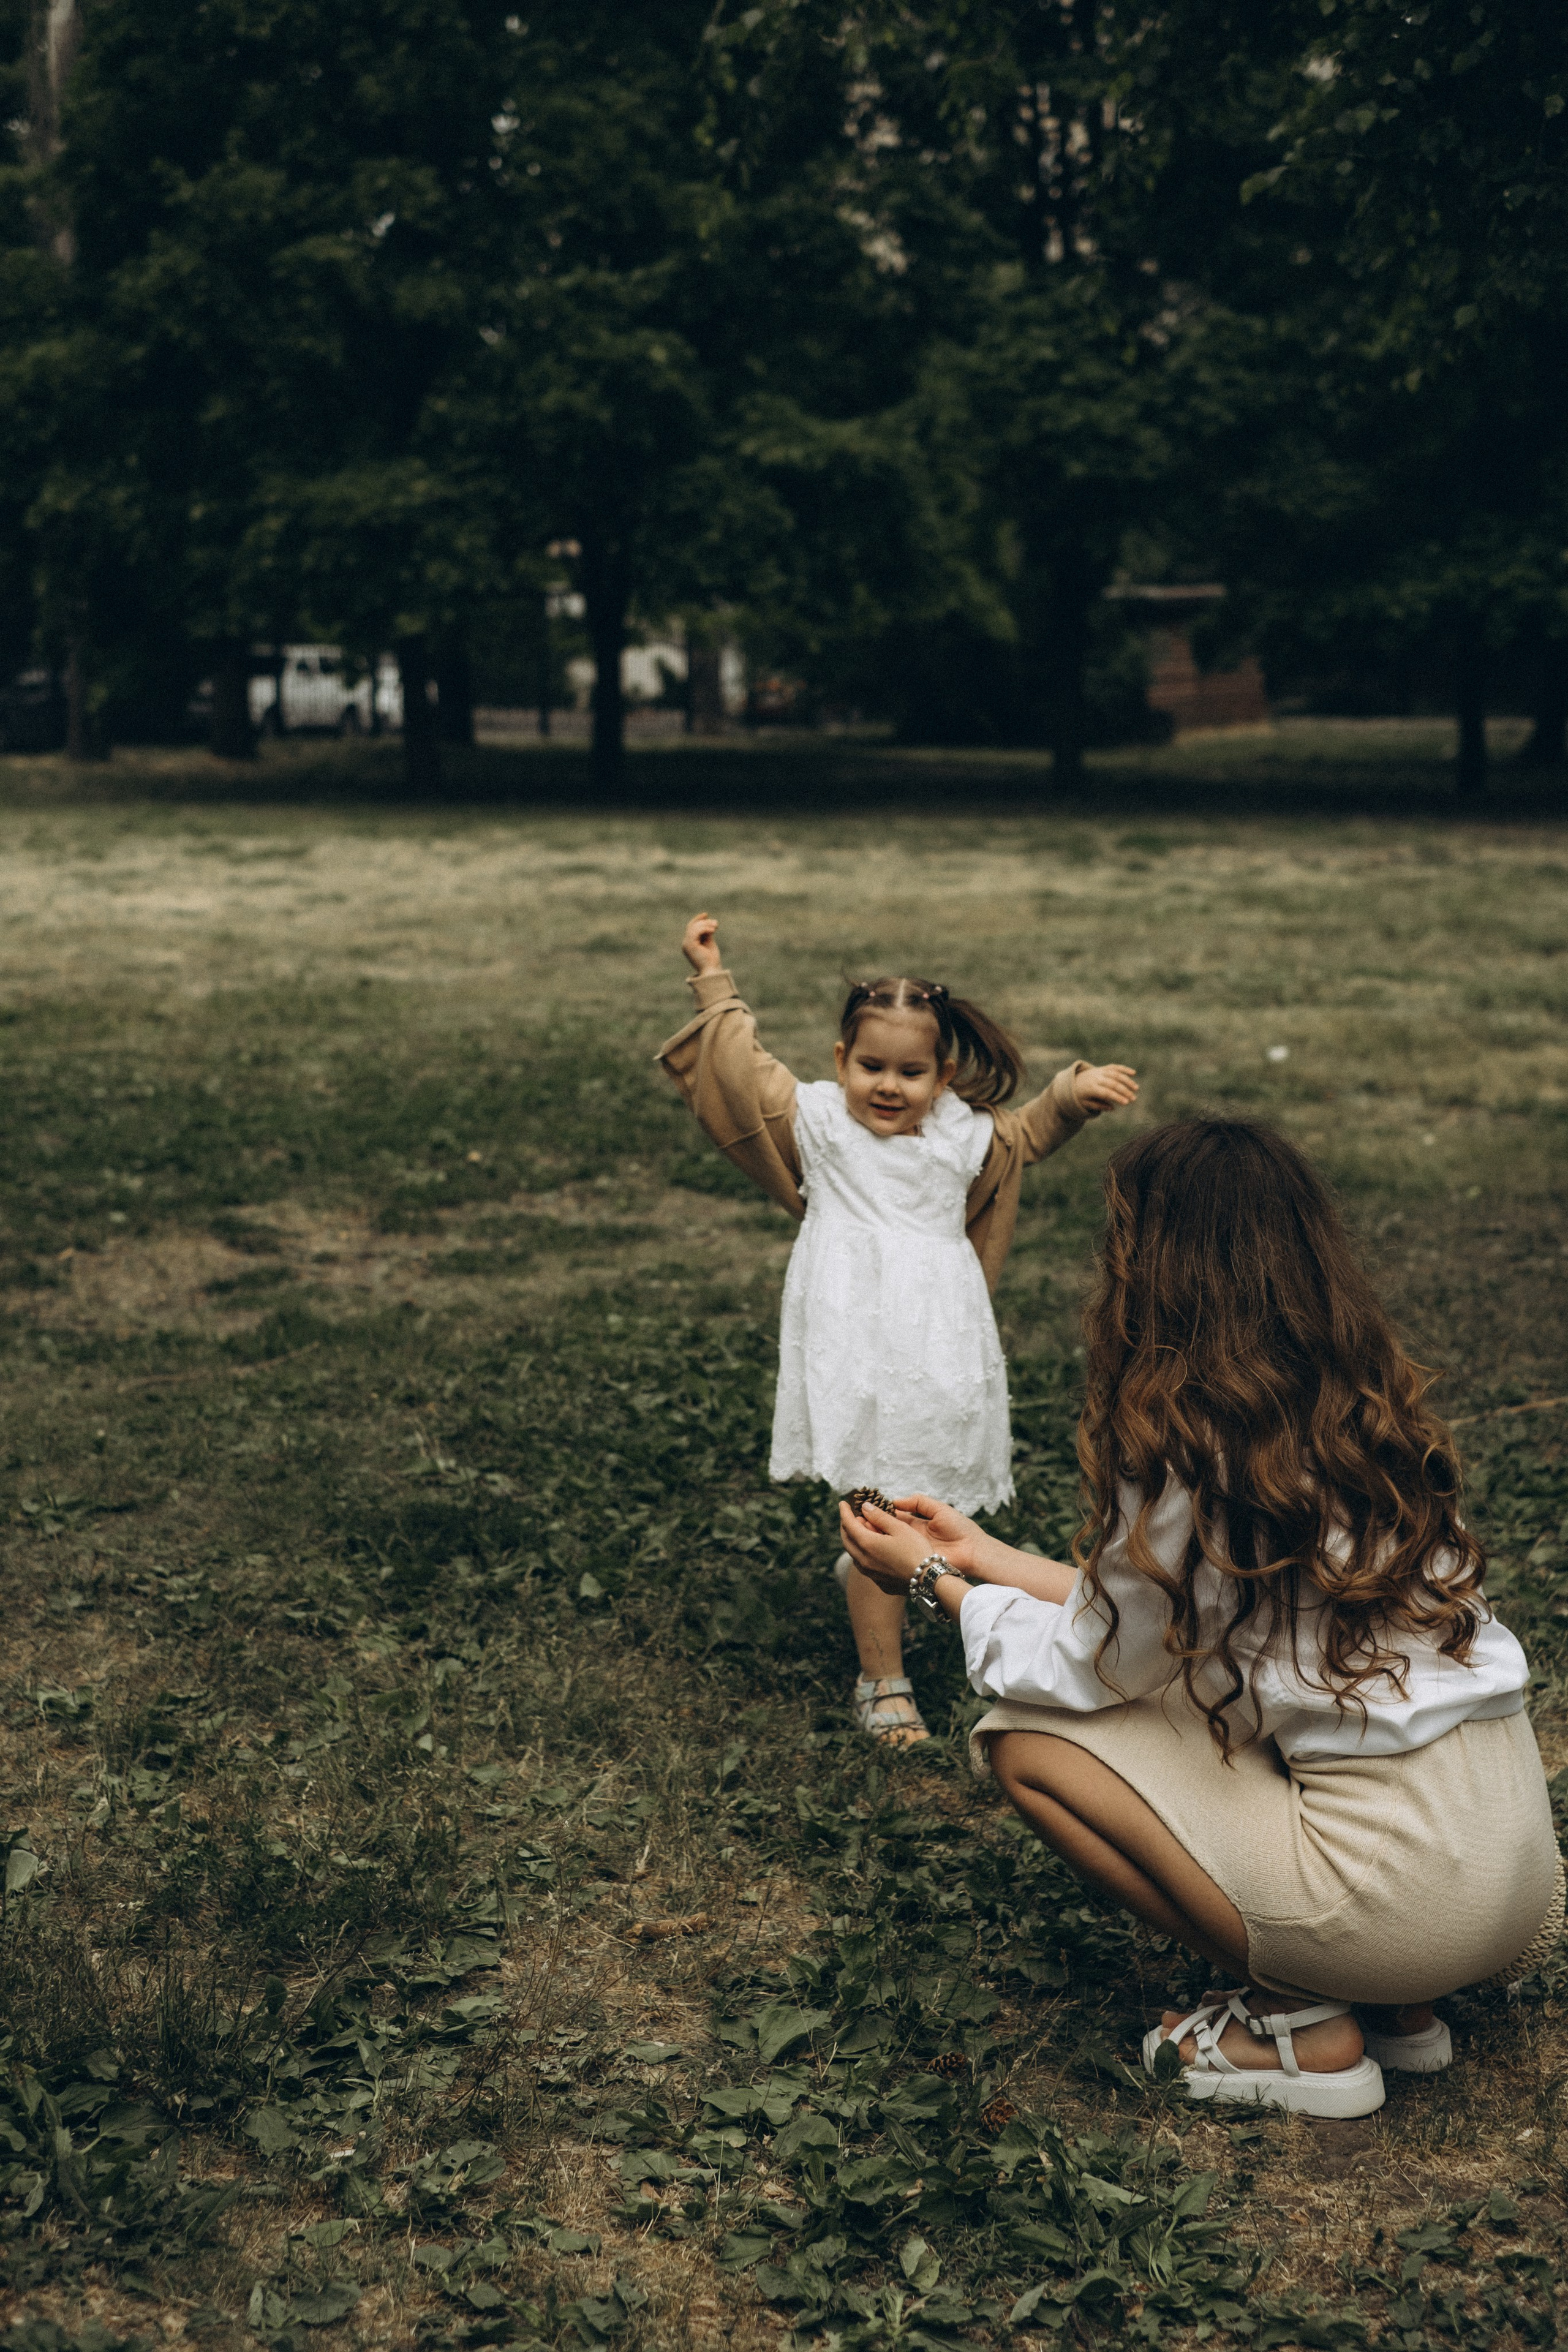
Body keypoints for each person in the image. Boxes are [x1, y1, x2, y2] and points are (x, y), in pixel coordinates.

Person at [839, 1117, 1562, 2117]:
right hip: (1510, 1876)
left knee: (1026, 1741)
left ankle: (1299, 2022)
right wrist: (985, 1556)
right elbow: (1161, 1620)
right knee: (1266, 1714)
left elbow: (1091, 1673)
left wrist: (932, 1585)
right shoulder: (1363, 1421)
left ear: (1155, 1270)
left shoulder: (1196, 1444)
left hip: (1397, 1899)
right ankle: (1402, 2007)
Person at [658, 912, 1139, 1746]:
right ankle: (883, 1680)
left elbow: (1024, 1136)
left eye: (911, 1071)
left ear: (945, 1074)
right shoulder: (819, 1122)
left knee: (926, 1499)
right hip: (856, 1343)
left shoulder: (963, 1133)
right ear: (841, 1061)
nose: (888, 1085)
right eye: (870, 1065)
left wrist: (1071, 1098)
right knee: (880, 1502)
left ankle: (886, 1575)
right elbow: (737, 1065)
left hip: (943, 1346)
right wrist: (711, 974)